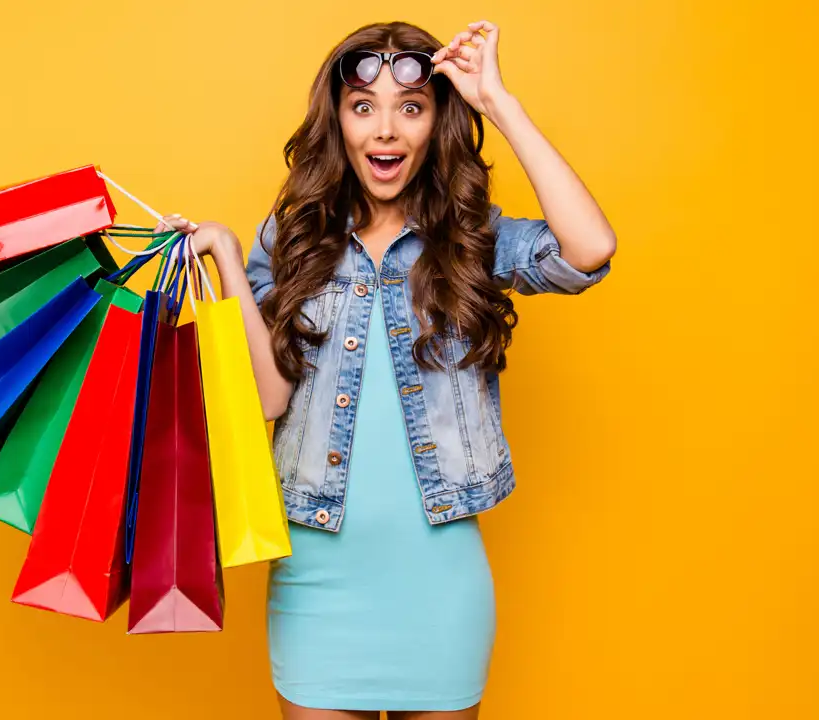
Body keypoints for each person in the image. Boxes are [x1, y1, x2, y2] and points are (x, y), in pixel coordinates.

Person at [154, 19, 616, 720]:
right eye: (362, 106)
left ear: (437, 121)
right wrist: (224, 261)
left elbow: (588, 251)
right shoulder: (294, 236)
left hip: (439, 583)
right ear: (336, 120)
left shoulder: (470, 237)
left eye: (410, 106)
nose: (385, 131)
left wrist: (498, 101)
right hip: (319, 574)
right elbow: (270, 397)